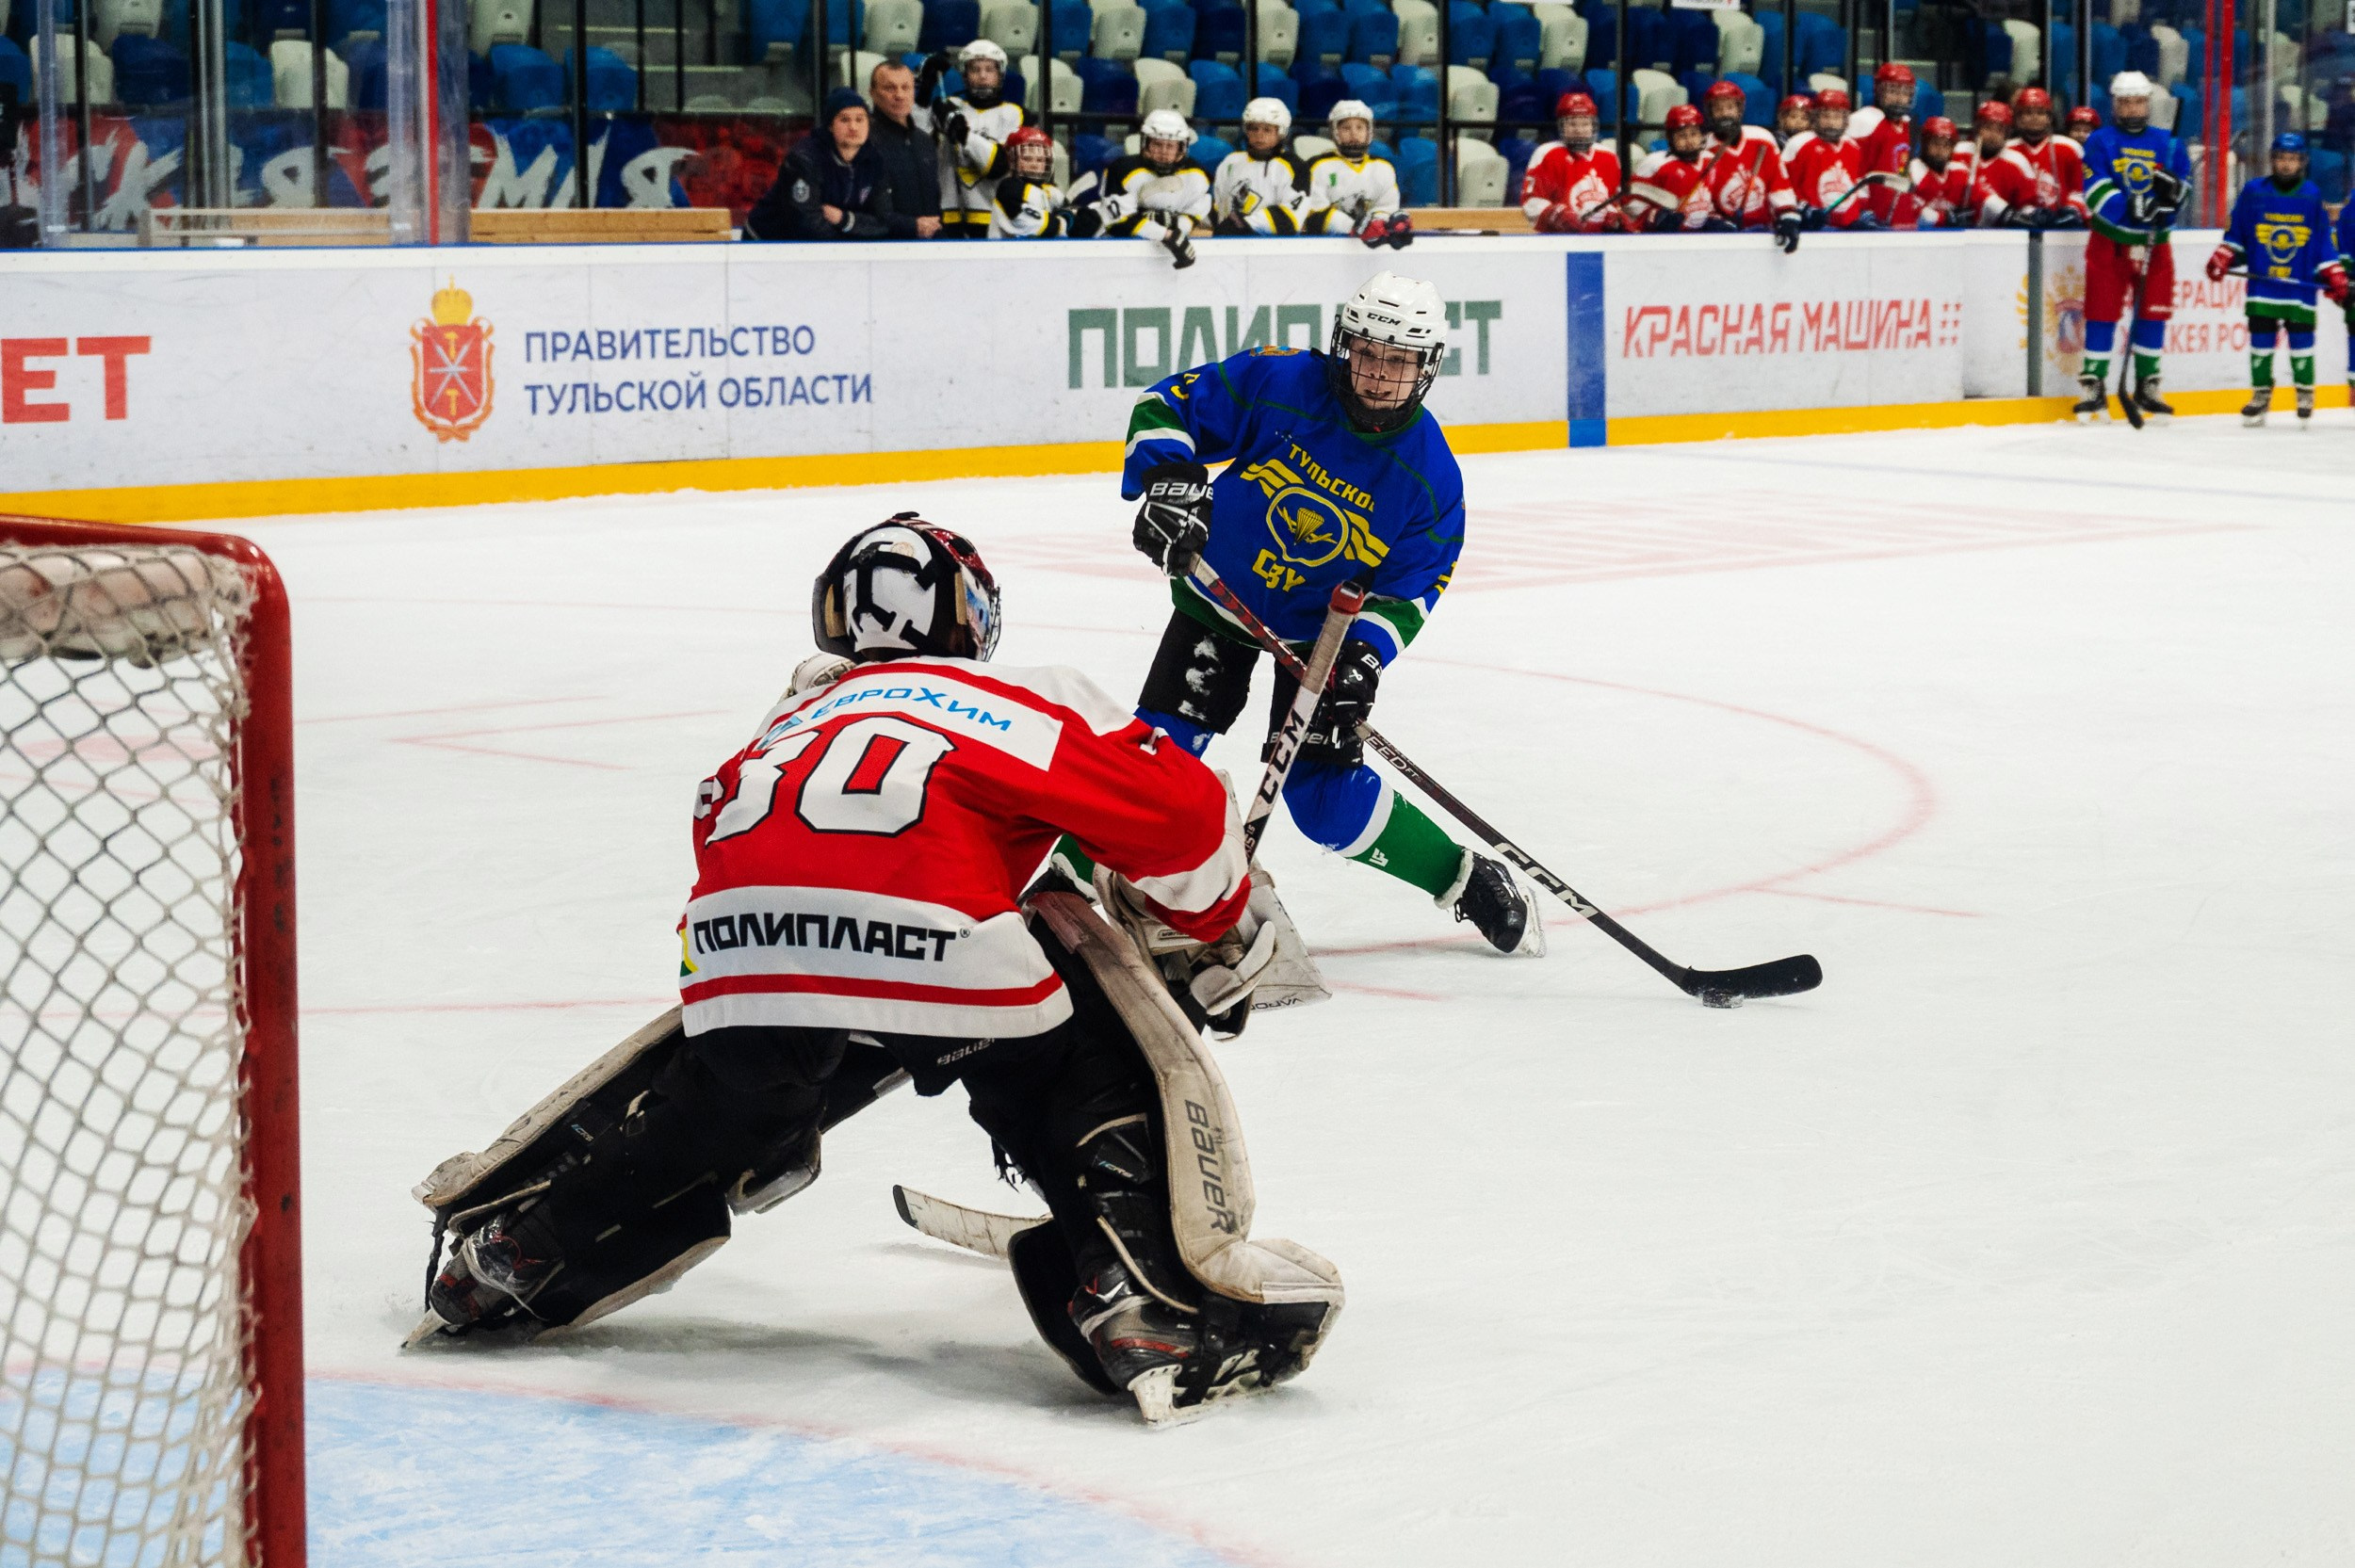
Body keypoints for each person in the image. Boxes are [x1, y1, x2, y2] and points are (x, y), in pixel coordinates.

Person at [418, 519, 1339, 1423]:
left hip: (738, 957)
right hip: (943, 955)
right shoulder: (1013, 697)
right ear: (969, 618)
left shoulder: (790, 714)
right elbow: (1174, 815)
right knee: (1074, 1047)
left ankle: (529, 1248)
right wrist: (1212, 919)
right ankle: (1138, 1293)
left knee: (722, 1106)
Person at [1089, 271, 1544, 956]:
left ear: (1426, 369)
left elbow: (1413, 585)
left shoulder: (1430, 476)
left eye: (1398, 361)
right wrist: (1169, 481)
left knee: (1325, 803)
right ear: (1344, 345)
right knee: (1156, 761)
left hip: (1318, 642)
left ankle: (1465, 876)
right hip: (1221, 600)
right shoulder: (1283, 382)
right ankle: (1055, 885)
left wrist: (1364, 654)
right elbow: (1166, 406)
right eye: (1366, 352)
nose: (1377, 374)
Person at [2209, 133, 2348, 425]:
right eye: (2282, 159)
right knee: (2261, 341)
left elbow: (2322, 239)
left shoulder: (2310, 195)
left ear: (2301, 163)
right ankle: (2261, 394)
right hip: (2263, 285)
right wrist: (2223, 256)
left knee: (2301, 341)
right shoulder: (2254, 192)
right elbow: (2238, 233)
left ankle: (2304, 392)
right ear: (2273, 160)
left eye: (2293, 159)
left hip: (2299, 286)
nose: (2286, 165)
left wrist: (2333, 271)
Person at [2075, 71, 2191, 420]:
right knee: (2101, 311)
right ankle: (2093, 385)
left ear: (2148, 103)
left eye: (2138, 101)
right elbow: (2093, 186)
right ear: (2115, 104)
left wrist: (2168, 200)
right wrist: (2127, 208)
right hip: (2109, 243)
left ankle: (2147, 383)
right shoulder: (2099, 141)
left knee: (2153, 313)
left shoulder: (2169, 144)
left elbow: (2184, 190)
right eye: (2124, 101)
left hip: (2155, 246)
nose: (2131, 108)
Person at [1066, 107, 1213, 267]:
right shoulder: (1123, 169)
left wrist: (1178, 227)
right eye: (1157, 144)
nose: (1163, 152)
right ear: (1145, 143)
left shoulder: (1197, 174)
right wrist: (1166, 234)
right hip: (1119, 254)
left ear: (1182, 149)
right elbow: (1118, 223)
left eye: (1170, 146)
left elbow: (1197, 211)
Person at [744, 88, 896, 241]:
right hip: (765, 242)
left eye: (860, 119)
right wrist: (850, 240)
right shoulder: (804, 159)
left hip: (820, 244)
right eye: (844, 119)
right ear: (830, 126)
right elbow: (806, 224)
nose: (853, 127)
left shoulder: (875, 160)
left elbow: (884, 222)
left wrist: (844, 219)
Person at [917, 39, 1029, 237]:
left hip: (993, 217)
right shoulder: (951, 105)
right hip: (948, 217)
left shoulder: (1013, 113)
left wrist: (962, 133)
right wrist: (925, 92)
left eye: (989, 70)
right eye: (975, 70)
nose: (983, 76)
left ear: (1000, 75)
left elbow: (997, 166)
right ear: (965, 76)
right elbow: (917, 136)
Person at [1690, 79, 1802, 248]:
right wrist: (1715, 221)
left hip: (1764, 233)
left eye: (1730, 107)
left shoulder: (1762, 139)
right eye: (1718, 108)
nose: (1725, 113)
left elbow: (1778, 182)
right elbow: (1701, 196)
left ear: (1739, 110)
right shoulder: (1703, 149)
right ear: (1710, 113)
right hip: (1722, 236)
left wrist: (1787, 215)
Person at [1301, 101, 1413, 246]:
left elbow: (1386, 207)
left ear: (1369, 132)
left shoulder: (1383, 168)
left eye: (1360, 127)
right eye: (1346, 128)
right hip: (1325, 246)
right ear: (1335, 131)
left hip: (1368, 248)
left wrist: (1380, 224)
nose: (1354, 133)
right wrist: (1355, 227)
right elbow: (1314, 212)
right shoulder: (1318, 166)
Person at [1977, 85, 2087, 230]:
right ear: (2018, 118)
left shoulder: (2070, 148)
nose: (2035, 117)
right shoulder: (2006, 150)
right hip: (2017, 229)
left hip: (2062, 230)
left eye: (2040, 113)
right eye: (2028, 113)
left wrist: (2072, 210)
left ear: (2049, 118)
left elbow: (2081, 188)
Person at [1519, 91, 1622, 233]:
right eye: (1572, 124)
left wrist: (1614, 215)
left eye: (1585, 124)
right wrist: (1554, 214)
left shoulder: (1608, 156)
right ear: (1562, 126)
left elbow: (1614, 200)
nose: (1579, 130)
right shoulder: (1548, 154)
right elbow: (1531, 200)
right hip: (1559, 239)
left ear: (1593, 126)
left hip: (1600, 239)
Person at [865, 59, 943, 239]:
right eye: (890, 88)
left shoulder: (925, 141)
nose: (899, 95)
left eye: (906, 87)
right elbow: (868, 209)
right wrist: (912, 226)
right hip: (886, 248)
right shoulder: (866, 141)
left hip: (930, 247)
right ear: (873, 93)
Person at [1214, 97, 1314, 234]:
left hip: (1273, 249)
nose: (1259, 136)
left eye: (1267, 130)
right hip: (1229, 245)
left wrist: (1244, 224)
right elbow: (1219, 207)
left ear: (1281, 132)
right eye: (1254, 129)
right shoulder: (1231, 162)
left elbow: (1291, 219)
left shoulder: (1295, 167)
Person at [1844, 61, 1916, 224]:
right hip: (1872, 219)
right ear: (1878, 90)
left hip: (1902, 218)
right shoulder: (1865, 121)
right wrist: (1859, 210)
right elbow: (1852, 172)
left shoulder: (1906, 124)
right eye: (1893, 90)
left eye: (1905, 92)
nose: (1899, 98)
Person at [1784, 87, 1864, 227]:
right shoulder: (1799, 143)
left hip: (1847, 229)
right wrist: (1805, 210)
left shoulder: (1853, 147)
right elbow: (1782, 185)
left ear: (1845, 120)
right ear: (1815, 117)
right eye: (1826, 116)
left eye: (1837, 117)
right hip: (1811, 228)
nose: (1831, 122)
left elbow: (1857, 185)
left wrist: (1859, 212)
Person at [989, 125, 1080, 237]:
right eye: (1027, 159)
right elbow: (1040, 226)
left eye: (1040, 160)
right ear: (1012, 159)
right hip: (1006, 253)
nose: (1034, 165)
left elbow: (1075, 216)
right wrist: (1066, 221)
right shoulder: (1009, 189)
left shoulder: (1052, 192)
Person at [1901, 115, 1971, 226]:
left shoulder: (1960, 171)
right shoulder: (1911, 170)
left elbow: (1982, 197)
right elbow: (1909, 207)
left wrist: (2004, 212)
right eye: (1935, 143)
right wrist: (1943, 218)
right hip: (1917, 238)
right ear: (1925, 144)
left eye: (1946, 145)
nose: (1940, 150)